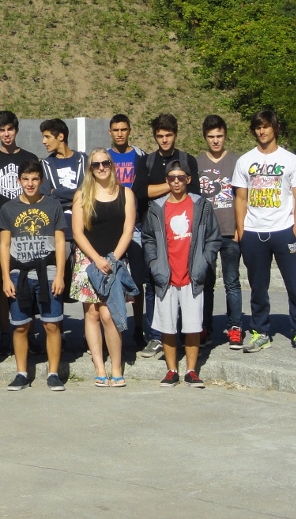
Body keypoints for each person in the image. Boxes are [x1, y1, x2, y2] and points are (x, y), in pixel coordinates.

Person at [231, 108, 296, 355]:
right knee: (258, 287)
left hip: (283, 231)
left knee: (294, 285)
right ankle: (260, 332)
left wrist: (294, 231)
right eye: (258, 127)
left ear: (274, 127)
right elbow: (240, 199)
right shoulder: (245, 161)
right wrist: (242, 231)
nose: (262, 131)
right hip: (254, 232)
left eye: (266, 126)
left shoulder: (291, 160)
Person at [142, 160, 221, 388]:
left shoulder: (201, 205)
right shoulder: (157, 208)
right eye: (171, 178)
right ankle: (172, 370)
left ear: (188, 179)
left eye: (180, 178)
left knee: (193, 326)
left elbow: (213, 238)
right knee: (167, 327)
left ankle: (191, 371)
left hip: (192, 276)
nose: (176, 182)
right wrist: (154, 263)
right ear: (167, 181)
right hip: (166, 277)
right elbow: (148, 238)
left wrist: (204, 261)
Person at [0, 160, 68, 391]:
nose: (30, 184)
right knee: (21, 326)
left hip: (48, 273)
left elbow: (60, 242)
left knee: (52, 325)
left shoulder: (53, 205)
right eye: (26, 179)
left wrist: (60, 275)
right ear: (19, 180)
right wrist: (5, 278)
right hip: (19, 275)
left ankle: (53, 373)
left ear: (41, 180)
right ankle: (21, 373)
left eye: (35, 179)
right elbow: (4, 245)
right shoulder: (9, 208)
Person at [70, 148, 136, 388]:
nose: (101, 168)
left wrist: (113, 259)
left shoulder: (126, 194)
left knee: (110, 315)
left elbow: (128, 230)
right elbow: (77, 232)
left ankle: (116, 367)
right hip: (88, 261)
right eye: (96, 164)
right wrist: (97, 259)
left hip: (115, 261)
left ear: (111, 164)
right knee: (92, 314)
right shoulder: (82, 195)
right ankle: (99, 366)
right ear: (90, 169)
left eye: (105, 163)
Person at [138, 113, 200, 359]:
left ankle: (187, 335)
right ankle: (156, 336)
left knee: (184, 285)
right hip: (155, 233)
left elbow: (194, 195)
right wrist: (175, 183)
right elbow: (141, 192)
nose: (164, 140)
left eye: (168, 135)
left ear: (175, 135)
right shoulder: (147, 161)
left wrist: (165, 187)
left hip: (183, 233)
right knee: (154, 283)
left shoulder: (187, 159)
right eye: (160, 136)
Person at [0, 111, 39, 356]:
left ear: (16, 130)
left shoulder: (29, 158)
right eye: (2, 130)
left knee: (30, 279)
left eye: (10, 129)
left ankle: (29, 332)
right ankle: (4, 332)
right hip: (2, 228)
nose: (6, 134)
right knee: (3, 279)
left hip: (28, 227)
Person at [197, 115, 243, 348]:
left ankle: (235, 327)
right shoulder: (197, 162)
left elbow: (243, 198)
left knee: (232, 282)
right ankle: (204, 328)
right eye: (211, 136)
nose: (215, 140)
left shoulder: (237, 162)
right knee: (206, 283)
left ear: (225, 135)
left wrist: (239, 228)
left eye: (219, 136)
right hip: (206, 236)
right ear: (205, 137)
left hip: (229, 233)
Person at [107, 114, 150, 349]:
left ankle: (138, 328)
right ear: (110, 132)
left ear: (130, 130)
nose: (120, 133)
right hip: (112, 225)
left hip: (136, 226)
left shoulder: (141, 155)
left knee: (137, 279)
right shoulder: (105, 157)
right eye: (116, 130)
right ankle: (112, 327)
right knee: (111, 276)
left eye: (123, 129)